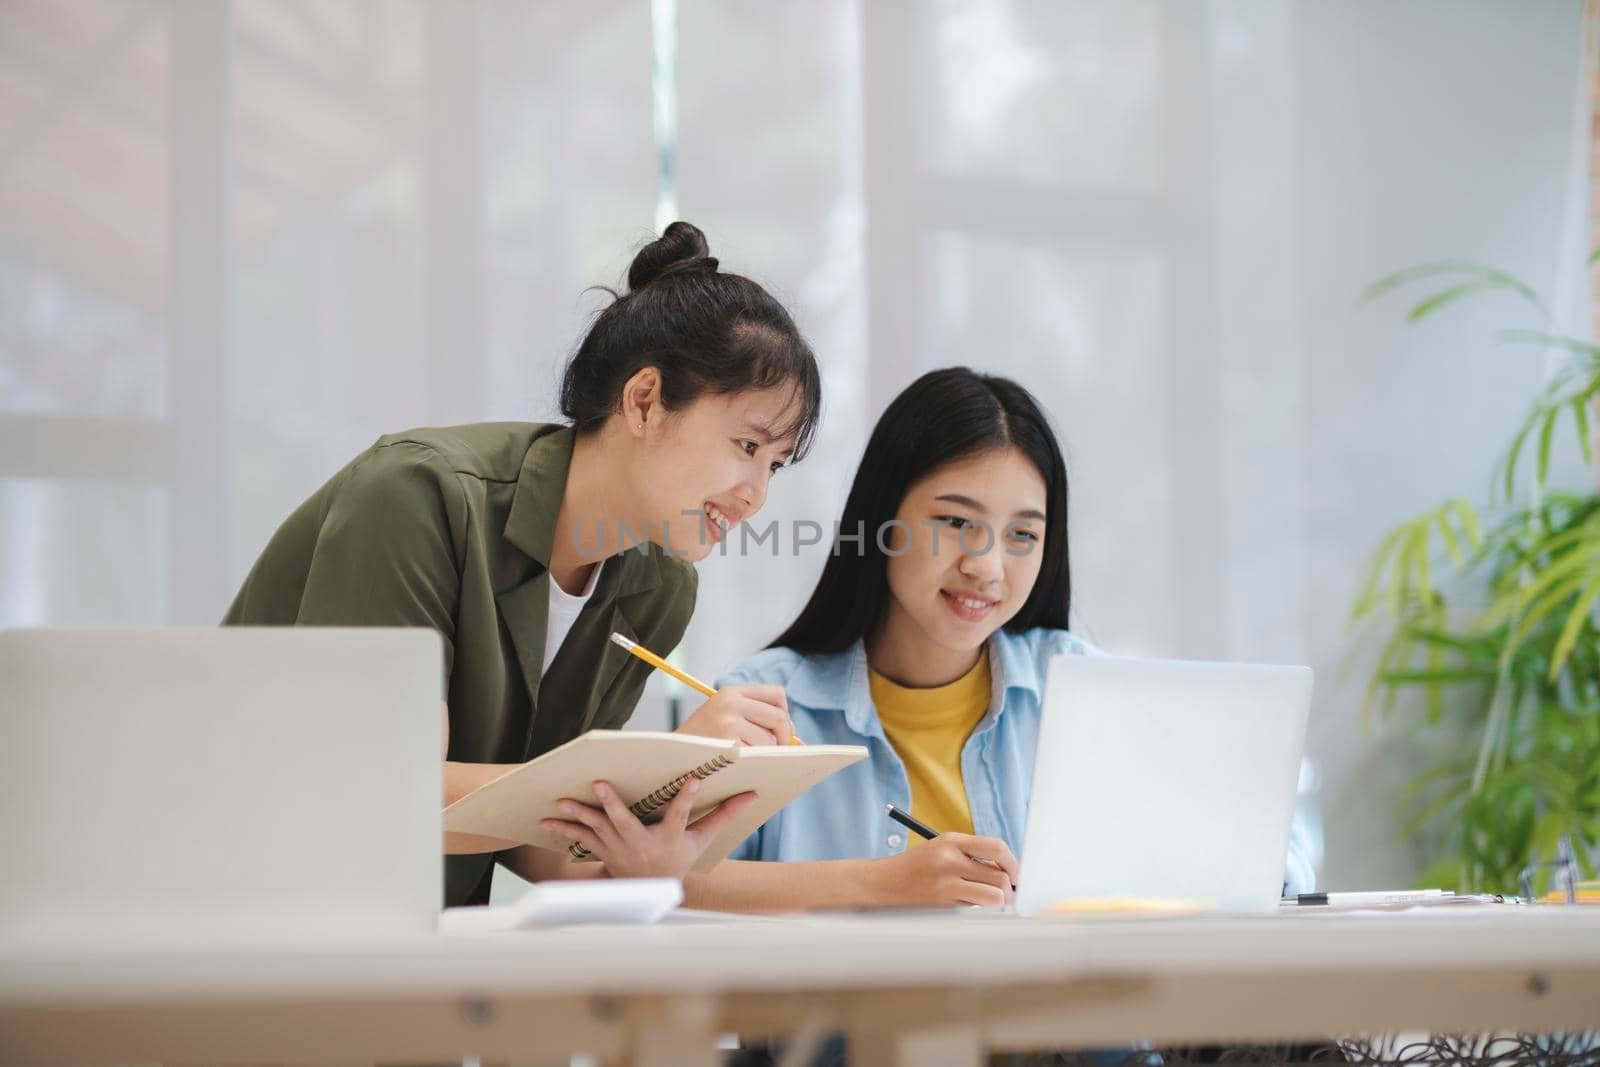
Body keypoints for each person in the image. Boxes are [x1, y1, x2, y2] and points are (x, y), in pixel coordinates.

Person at [224, 222, 820, 906]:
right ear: (645, 400)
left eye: (774, 465)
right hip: (244, 912)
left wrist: (658, 823)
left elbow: (539, 850)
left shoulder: (659, 586)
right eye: (747, 444)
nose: (757, 494)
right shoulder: (418, 496)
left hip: (423, 944)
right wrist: (650, 768)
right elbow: (389, 792)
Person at [683, 367, 1316, 912]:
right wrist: (877, 885)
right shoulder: (762, 708)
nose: (987, 567)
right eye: (956, 521)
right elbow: (669, 883)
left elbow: (1274, 860)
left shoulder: (1082, 692)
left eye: (1023, 535)